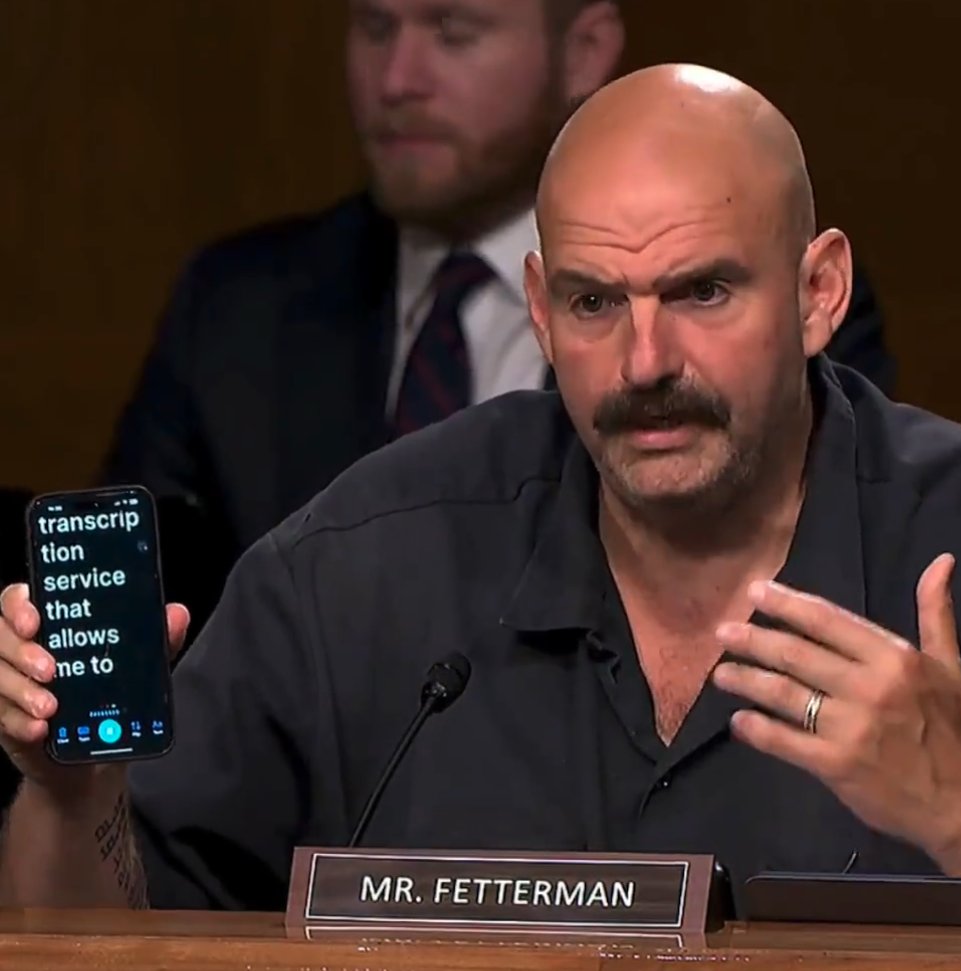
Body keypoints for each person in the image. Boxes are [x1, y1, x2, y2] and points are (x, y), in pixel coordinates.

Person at [0, 63, 950, 918]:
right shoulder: (360, 569)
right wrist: (70, 796)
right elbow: (94, 939)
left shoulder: (944, 535)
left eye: (701, 293)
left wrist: (956, 810)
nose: (646, 362)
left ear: (818, 292)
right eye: (594, 302)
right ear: (539, 311)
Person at [97, 0, 895, 631]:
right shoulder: (236, 306)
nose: (398, 78)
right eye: (376, 27)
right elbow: (143, 612)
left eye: (452, 29)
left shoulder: (778, 319)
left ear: (583, 50)